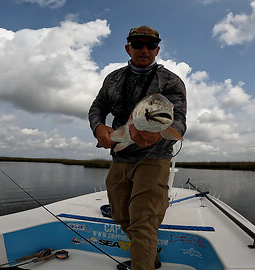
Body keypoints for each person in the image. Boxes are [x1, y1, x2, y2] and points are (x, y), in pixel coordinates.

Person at [88, 26, 187, 270]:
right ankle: (149, 257)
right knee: (121, 215)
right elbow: (97, 107)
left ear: (157, 50)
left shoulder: (171, 81)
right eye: (138, 44)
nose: (144, 49)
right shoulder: (113, 78)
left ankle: (143, 263)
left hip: (155, 157)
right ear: (127, 48)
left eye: (150, 45)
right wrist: (99, 128)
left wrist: (160, 137)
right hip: (121, 154)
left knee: (143, 220)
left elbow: (180, 120)